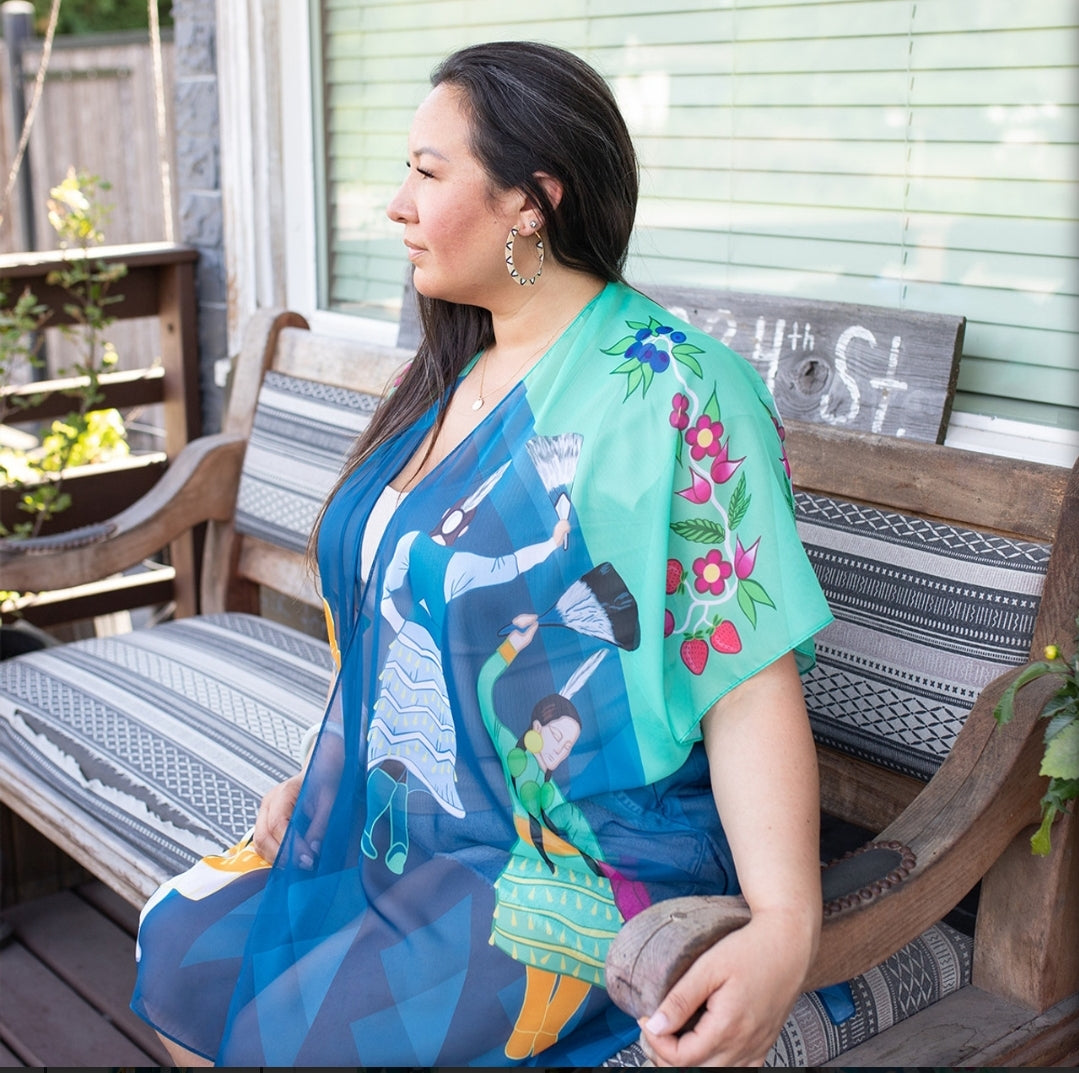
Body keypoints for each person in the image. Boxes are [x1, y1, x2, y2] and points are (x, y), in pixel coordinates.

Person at [130, 40, 832, 1067]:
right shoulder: (449, 370)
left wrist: (783, 923)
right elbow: (393, 615)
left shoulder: (674, 391)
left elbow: (745, 675)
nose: (396, 205)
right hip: (412, 807)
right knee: (183, 944)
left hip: (574, 840)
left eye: (427, 171)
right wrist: (325, 778)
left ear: (531, 201)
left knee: (300, 1030)